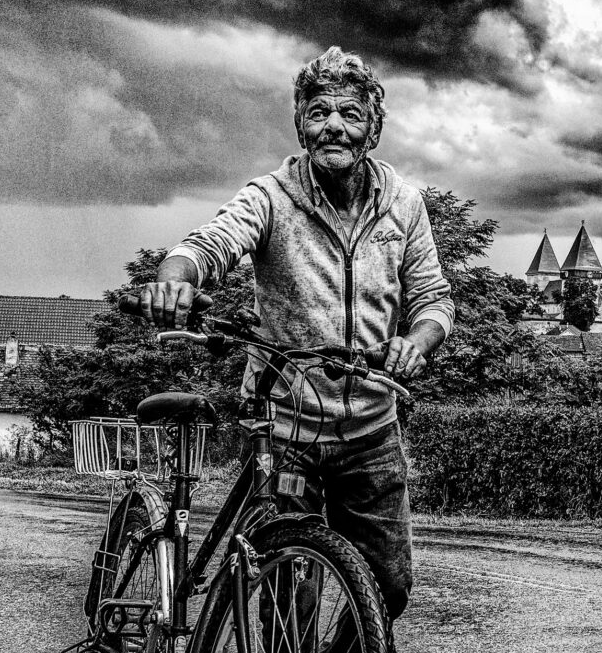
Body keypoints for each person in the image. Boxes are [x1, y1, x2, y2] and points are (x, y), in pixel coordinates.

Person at [135, 47, 453, 622]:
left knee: (388, 589)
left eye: (351, 114)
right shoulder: (271, 197)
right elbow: (210, 244)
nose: (334, 125)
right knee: (287, 594)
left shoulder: (404, 204)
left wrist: (417, 341)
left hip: (372, 429)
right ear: (301, 124)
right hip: (284, 427)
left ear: (373, 129)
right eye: (319, 111)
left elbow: (434, 299)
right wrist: (174, 280)